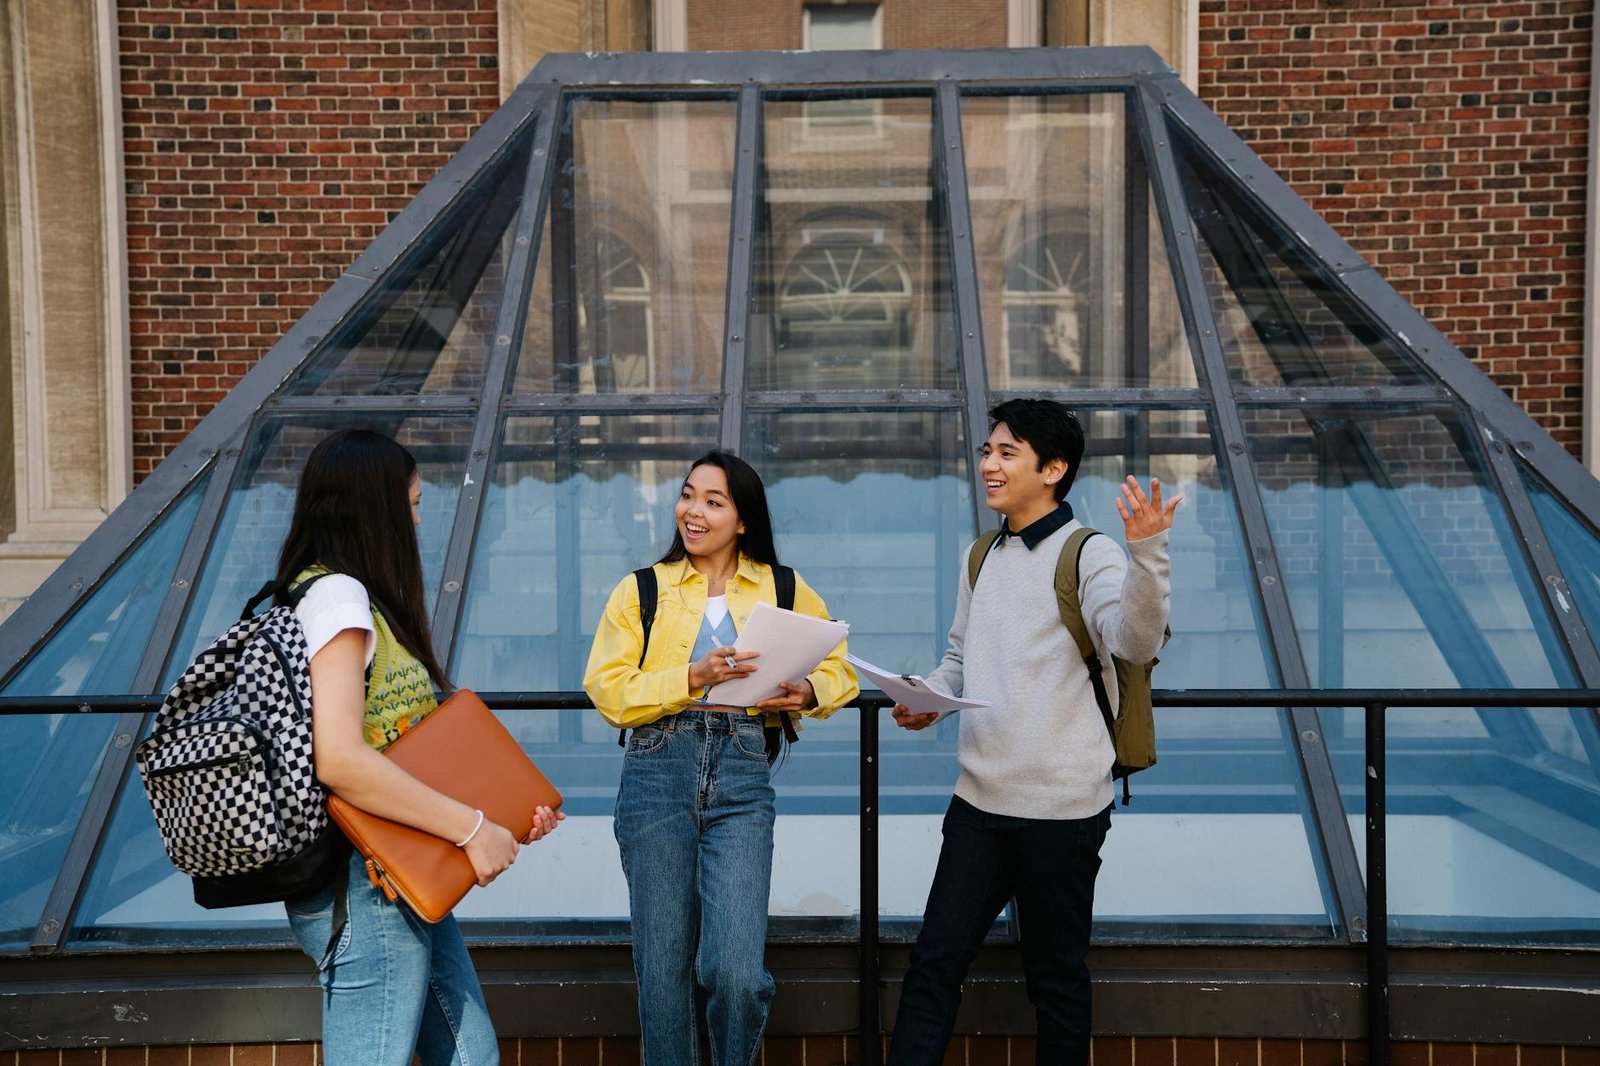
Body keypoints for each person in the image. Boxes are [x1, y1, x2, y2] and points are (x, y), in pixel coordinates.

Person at [886, 399, 1179, 1066]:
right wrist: (930, 697)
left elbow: (1134, 642)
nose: (989, 465)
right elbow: (961, 656)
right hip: (978, 804)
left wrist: (1148, 555)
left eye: (1007, 453)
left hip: (1063, 812)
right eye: (988, 451)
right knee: (933, 964)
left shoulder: (1091, 554)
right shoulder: (982, 554)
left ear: (1053, 469)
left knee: (1056, 982)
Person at [277, 427, 563, 1066]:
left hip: (398, 871)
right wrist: (473, 829)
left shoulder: (342, 597)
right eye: (410, 505)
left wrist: (501, 816)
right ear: (374, 509)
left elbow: (408, 748)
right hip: (366, 880)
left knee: (470, 1055)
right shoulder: (337, 599)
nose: (416, 521)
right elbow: (340, 759)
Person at [584, 448, 859, 1066]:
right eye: (687, 495)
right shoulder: (642, 589)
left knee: (736, 972)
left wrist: (808, 691)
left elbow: (839, 665)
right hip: (657, 771)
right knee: (663, 973)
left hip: (742, 773)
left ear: (743, 520)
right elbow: (607, 689)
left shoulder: (781, 586)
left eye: (713, 501)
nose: (693, 511)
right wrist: (691, 676)